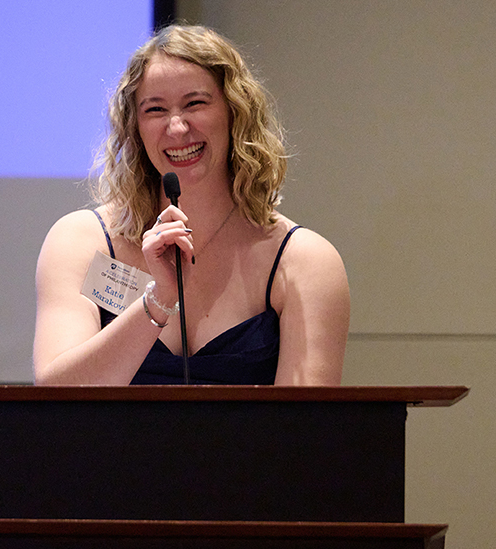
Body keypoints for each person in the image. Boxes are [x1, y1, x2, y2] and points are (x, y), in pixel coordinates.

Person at [33, 25, 349, 385]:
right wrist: (157, 301)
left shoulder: (304, 261)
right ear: (134, 127)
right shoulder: (81, 241)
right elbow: (55, 395)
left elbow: (308, 432)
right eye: (155, 109)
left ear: (236, 112)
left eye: (195, 104)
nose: (178, 128)